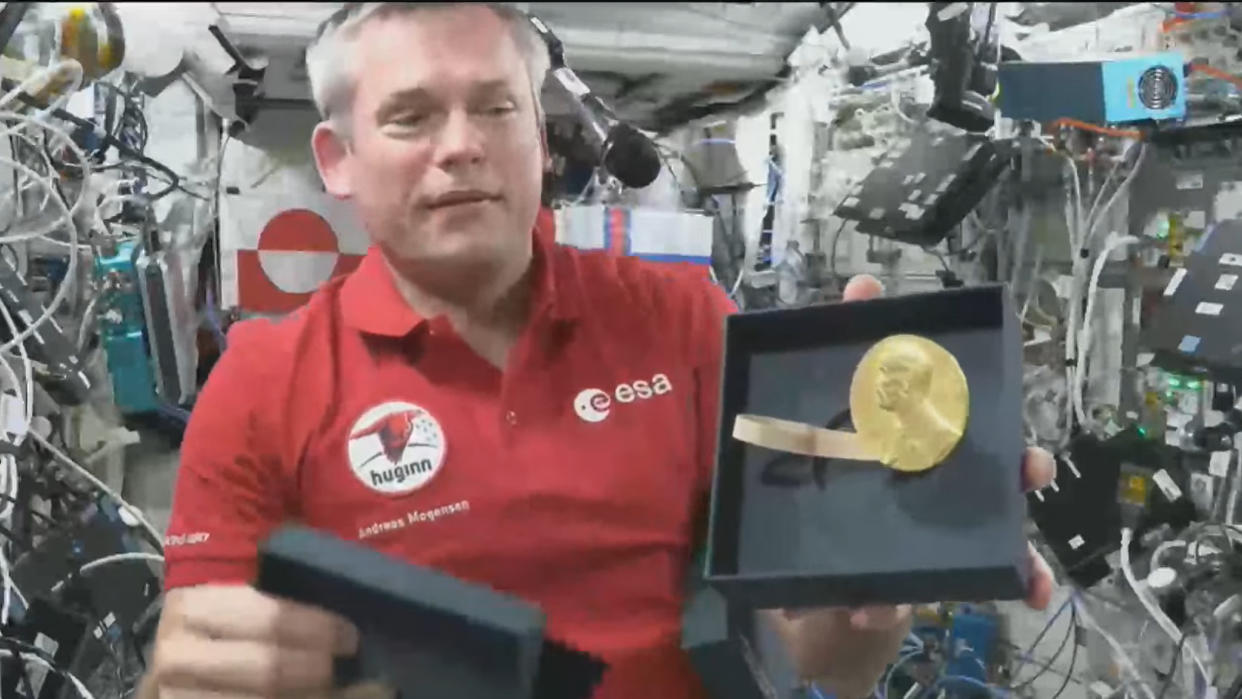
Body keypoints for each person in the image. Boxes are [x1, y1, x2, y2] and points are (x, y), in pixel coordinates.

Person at [141, 4, 1057, 698]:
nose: (461, 147)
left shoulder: (682, 319)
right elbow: (203, 664)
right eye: (411, 117)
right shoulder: (262, 386)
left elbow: (820, 659)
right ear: (337, 158)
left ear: (542, 139)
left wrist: (879, 565)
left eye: (496, 108)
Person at [874, 340, 963, 471]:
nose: (877, 388)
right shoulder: (895, 441)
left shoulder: (944, 439)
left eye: (885, 383)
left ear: (905, 385)